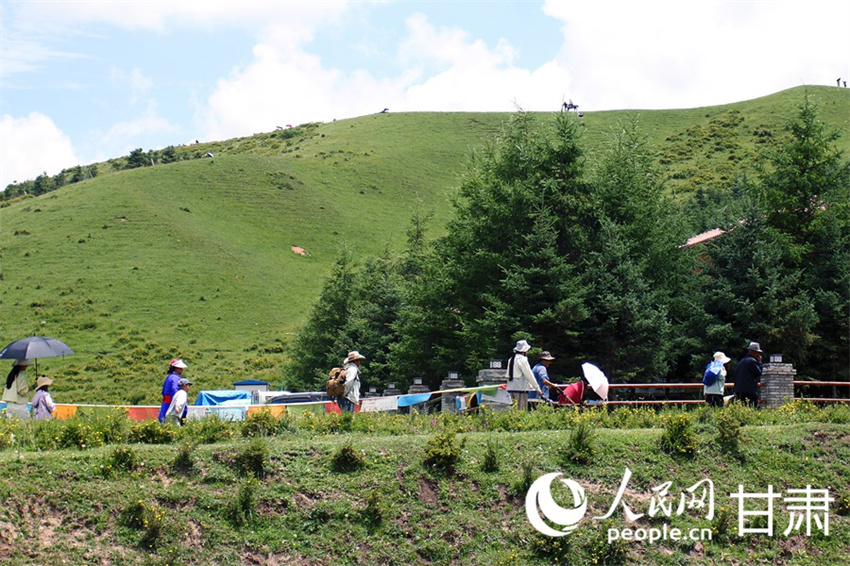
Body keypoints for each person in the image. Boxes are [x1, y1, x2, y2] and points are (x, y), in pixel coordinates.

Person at [506, 340, 542, 410]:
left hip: (511, 388)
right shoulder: (522, 359)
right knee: (521, 409)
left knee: (513, 409)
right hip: (520, 388)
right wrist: (537, 387)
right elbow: (529, 374)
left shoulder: (511, 359)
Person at [158, 359, 188, 423]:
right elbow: (175, 391)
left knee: (163, 420)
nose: (182, 370)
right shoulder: (175, 378)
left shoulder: (169, 377)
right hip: (170, 403)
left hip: (165, 403)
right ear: (177, 369)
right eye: (181, 368)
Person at [734, 342, 763, 407]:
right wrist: (760, 362)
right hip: (749, 391)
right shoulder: (752, 361)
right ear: (754, 352)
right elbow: (759, 373)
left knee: (742, 408)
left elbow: (735, 376)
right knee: (752, 407)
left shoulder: (741, 361)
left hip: (739, 390)